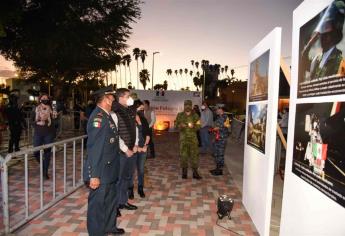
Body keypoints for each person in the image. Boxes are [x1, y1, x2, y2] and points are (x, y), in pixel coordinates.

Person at [83, 86, 124, 235]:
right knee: (97, 206)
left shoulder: (106, 116)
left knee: (110, 202)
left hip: (110, 170)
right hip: (101, 171)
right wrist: (94, 175)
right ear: (106, 99)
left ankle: (109, 227)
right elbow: (95, 149)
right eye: (112, 98)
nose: (114, 100)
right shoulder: (98, 118)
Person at [301, 1, 345, 80]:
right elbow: (304, 58)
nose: (321, 36)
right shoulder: (317, 58)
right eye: (322, 33)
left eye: (326, 33)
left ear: (334, 35)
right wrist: (311, 42)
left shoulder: (339, 59)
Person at [112, 88, 138, 213]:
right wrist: (125, 149)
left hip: (131, 150)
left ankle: (123, 201)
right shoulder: (115, 113)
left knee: (127, 178)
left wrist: (136, 144)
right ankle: (115, 205)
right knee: (118, 179)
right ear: (121, 98)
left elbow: (134, 129)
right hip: (121, 152)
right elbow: (115, 135)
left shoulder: (129, 111)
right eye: (128, 96)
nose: (130, 98)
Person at [175, 100, 202, 179]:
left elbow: (199, 125)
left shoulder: (195, 115)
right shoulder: (180, 115)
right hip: (183, 139)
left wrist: (193, 126)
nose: (187, 107)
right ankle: (184, 171)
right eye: (186, 105)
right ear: (184, 106)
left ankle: (195, 172)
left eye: (189, 105)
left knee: (194, 155)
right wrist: (180, 125)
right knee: (183, 155)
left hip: (193, 139)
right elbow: (175, 125)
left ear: (191, 106)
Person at [33, 94, 57, 180]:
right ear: (40, 99)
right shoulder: (36, 108)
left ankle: (45, 172)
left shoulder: (51, 107)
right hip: (38, 132)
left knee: (47, 153)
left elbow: (54, 117)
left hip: (48, 133)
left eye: (46, 98)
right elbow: (34, 119)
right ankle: (43, 165)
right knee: (35, 152)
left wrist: (54, 109)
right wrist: (40, 119)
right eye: (43, 98)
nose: (45, 99)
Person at [130, 100, 150, 198]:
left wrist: (146, 144)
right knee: (132, 170)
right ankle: (130, 189)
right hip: (133, 148)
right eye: (140, 109)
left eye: (143, 109)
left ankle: (140, 188)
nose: (142, 110)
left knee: (141, 169)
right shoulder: (129, 119)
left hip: (143, 147)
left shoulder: (144, 119)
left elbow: (148, 134)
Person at [210, 104, 230, 176]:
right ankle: (217, 168)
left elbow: (218, 127)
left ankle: (219, 170)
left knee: (220, 154)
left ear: (220, 109)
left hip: (221, 139)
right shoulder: (221, 117)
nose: (216, 111)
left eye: (216, 109)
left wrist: (212, 129)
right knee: (216, 153)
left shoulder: (224, 117)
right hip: (218, 137)